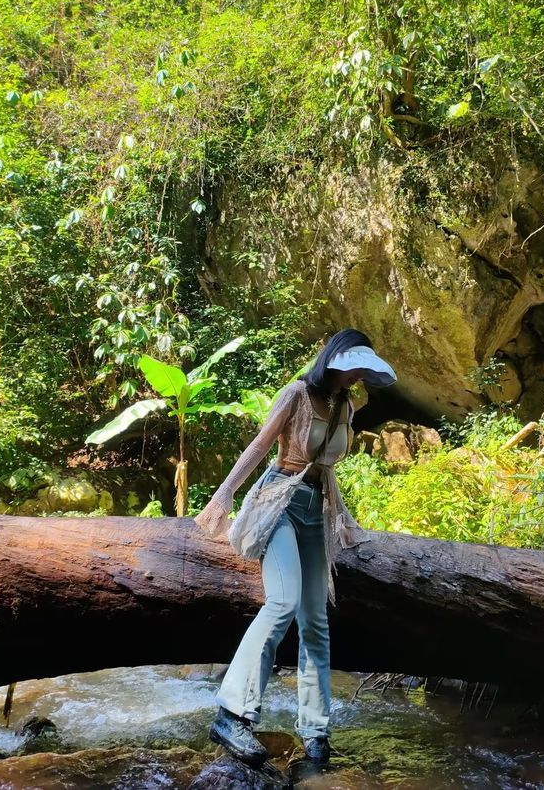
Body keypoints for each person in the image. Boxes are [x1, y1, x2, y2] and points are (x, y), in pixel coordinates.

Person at [194, 328, 397, 766]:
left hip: (315, 509)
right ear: (336, 359)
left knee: (315, 619)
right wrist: (223, 495)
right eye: (354, 366)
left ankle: (316, 732)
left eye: (363, 369)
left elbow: (327, 467)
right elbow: (261, 444)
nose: (358, 375)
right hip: (279, 501)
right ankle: (231, 713)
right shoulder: (298, 394)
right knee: (282, 603)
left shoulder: (346, 405)